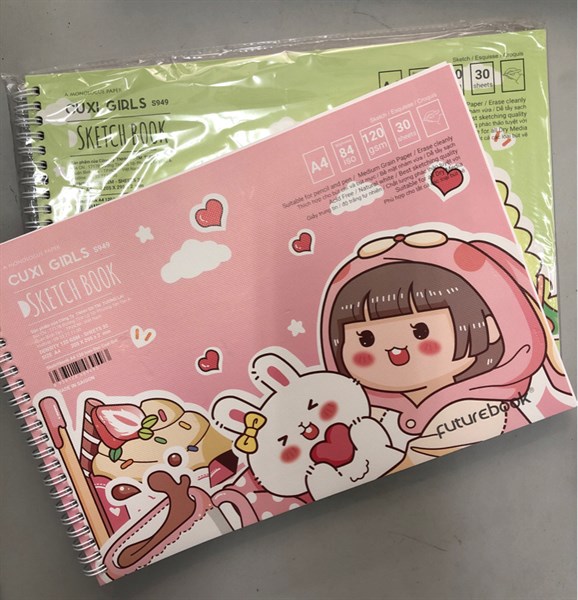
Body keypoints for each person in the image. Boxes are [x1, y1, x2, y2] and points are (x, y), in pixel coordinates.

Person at [320, 229, 573, 471]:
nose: (394, 349)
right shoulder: (380, 411)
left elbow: (409, 459)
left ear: (490, 327)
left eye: (421, 331)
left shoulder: (475, 405)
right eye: (366, 339)